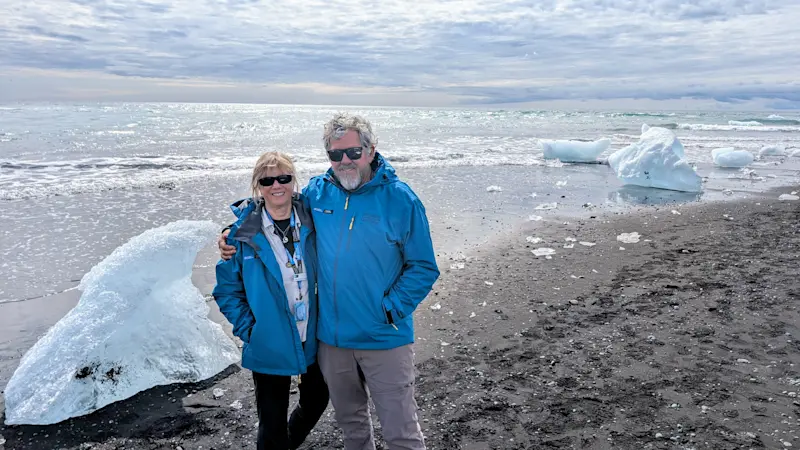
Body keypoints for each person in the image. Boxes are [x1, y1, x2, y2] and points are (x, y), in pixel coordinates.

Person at [219, 113, 440, 450]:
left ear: (370, 149)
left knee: (401, 432)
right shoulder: (318, 195)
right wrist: (232, 230)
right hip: (332, 341)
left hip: (384, 336)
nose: (344, 161)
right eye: (335, 155)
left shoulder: (400, 199)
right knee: (352, 426)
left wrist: (390, 310)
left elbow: (423, 266)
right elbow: (274, 203)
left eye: (352, 152)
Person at [212, 151, 329, 450]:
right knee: (271, 421)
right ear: (257, 186)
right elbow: (227, 291)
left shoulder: (313, 219)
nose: (276, 185)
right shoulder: (241, 235)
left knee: (317, 399)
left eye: (284, 178)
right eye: (267, 180)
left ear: (293, 181)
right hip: (268, 341)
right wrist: (251, 330)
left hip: (313, 336)